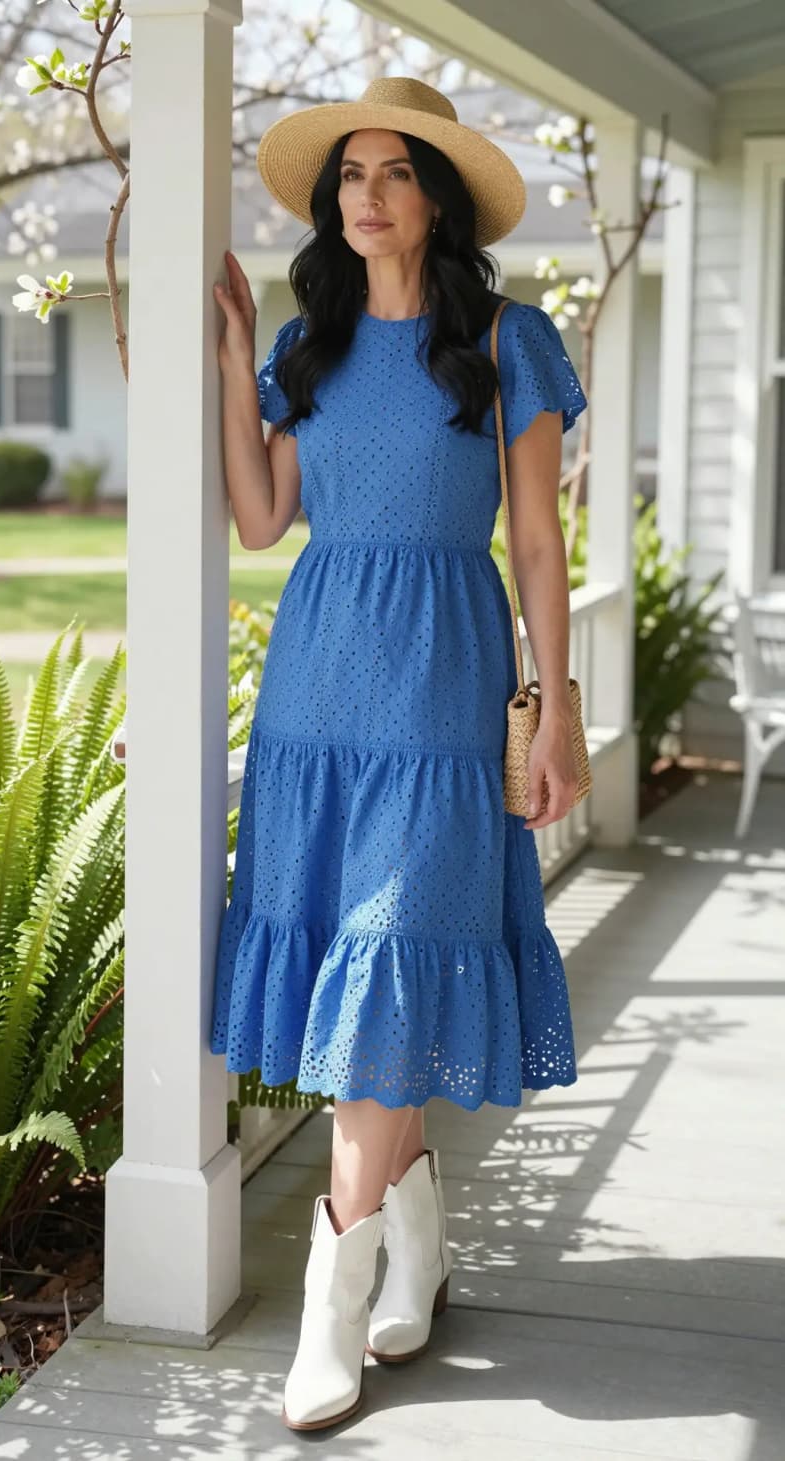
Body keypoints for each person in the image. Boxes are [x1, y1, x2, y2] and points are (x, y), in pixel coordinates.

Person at [210, 75, 588, 1432]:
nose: (363, 195)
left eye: (391, 174)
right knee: (364, 966)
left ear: (436, 199)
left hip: (443, 686)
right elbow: (259, 520)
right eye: (347, 177)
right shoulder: (309, 346)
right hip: (319, 691)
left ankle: (332, 1298)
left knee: (390, 956)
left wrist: (559, 706)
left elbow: (537, 543)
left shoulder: (507, 343)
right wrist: (229, 359)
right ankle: (414, 1244)